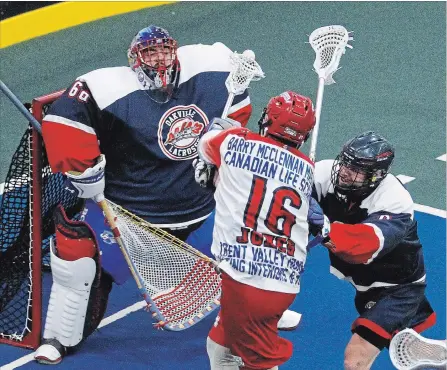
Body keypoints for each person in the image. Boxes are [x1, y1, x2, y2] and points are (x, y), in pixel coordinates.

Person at [34, 25, 300, 365]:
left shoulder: (211, 69)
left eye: (164, 51)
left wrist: (228, 132)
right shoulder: (102, 88)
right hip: (129, 212)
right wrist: (85, 173)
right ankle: (60, 336)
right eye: (150, 53)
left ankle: (264, 317)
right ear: (134, 59)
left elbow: (238, 110)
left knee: (252, 248)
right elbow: (63, 122)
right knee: (77, 259)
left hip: (200, 204)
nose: (159, 60)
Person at [196, 91, 325, 370]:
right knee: (221, 344)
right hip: (281, 281)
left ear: (269, 118)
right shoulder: (308, 169)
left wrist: (221, 128)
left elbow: (204, 148)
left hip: (247, 279)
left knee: (259, 361)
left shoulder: (232, 141)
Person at [312, 131, 436, 370]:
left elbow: (361, 246)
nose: (346, 170)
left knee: (355, 359)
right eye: (345, 162)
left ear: (376, 175)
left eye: (355, 168)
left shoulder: (395, 201)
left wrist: (320, 225)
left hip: (398, 290)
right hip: (366, 284)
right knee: (404, 349)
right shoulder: (325, 173)